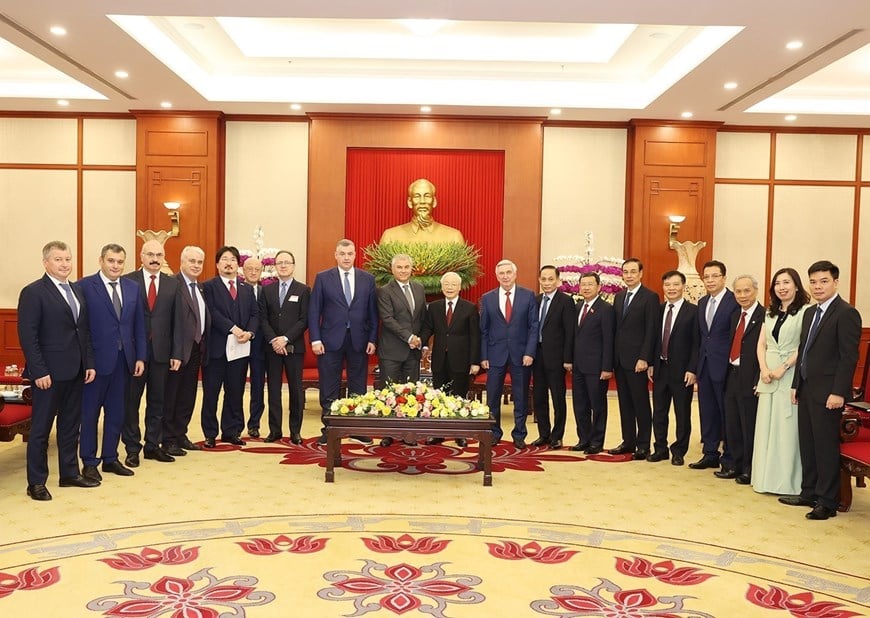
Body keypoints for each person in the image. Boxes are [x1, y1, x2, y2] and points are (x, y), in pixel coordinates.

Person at [781, 260, 861, 520]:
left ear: (835, 282)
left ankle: (827, 501)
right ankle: (809, 492)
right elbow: (804, 351)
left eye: (823, 281)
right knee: (808, 443)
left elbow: (849, 357)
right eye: (813, 282)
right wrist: (796, 385)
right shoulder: (809, 313)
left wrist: (839, 392)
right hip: (806, 389)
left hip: (829, 394)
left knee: (825, 446)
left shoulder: (846, 313)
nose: (818, 286)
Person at [18, 241, 97, 500]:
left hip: (76, 370)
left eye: (68, 259)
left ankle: (69, 474)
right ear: (46, 263)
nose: (65, 264)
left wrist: (89, 363)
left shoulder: (76, 290)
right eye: (58, 259)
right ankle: (36, 482)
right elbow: (28, 337)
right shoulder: (33, 292)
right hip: (47, 375)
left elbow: (82, 332)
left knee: (70, 426)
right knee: (40, 430)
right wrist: (39, 371)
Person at [76, 243, 146, 482]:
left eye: (119, 262)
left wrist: (140, 356)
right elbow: (81, 329)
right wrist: (87, 362)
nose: (115, 266)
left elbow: (138, 325)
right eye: (111, 261)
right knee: (90, 414)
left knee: (117, 413)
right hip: (95, 364)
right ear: (101, 261)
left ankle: (110, 458)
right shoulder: (84, 286)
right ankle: (89, 462)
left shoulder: (132, 287)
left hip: (124, 361)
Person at [309, 239, 379, 446]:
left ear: (355, 255)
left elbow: (373, 314)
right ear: (336, 255)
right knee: (329, 386)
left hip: (359, 340)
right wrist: (315, 339)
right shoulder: (323, 278)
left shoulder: (367, 279)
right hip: (330, 341)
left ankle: (356, 428)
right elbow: (314, 312)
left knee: (358, 385)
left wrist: (373, 338)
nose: (346, 257)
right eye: (342, 253)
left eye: (350, 253)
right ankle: (329, 429)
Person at [122, 240, 183, 466]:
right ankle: (132, 448)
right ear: (141, 256)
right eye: (150, 254)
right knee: (131, 403)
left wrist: (177, 353)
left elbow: (178, 322)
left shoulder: (172, 284)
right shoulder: (128, 281)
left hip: (162, 354)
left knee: (158, 402)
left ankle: (152, 445)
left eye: (159, 254)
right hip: (134, 354)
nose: (155, 259)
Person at [753, 267, 810, 495]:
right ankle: (764, 479)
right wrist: (764, 368)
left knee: (786, 430)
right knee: (766, 427)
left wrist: (783, 367)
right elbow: (761, 344)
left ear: (796, 285)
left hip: (789, 374)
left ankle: (787, 482)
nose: (782, 287)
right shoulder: (770, 312)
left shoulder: (806, 311)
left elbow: (803, 346)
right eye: (777, 283)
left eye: (786, 282)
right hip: (767, 376)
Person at [201, 246, 259, 448]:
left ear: (238, 264)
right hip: (216, 349)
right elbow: (212, 312)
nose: (229, 263)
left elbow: (254, 314)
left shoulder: (247, 289)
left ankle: (231, 431)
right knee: (211, 393)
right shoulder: (208, 287)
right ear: (217, 264)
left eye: (233, 259)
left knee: (235, 392)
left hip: (241, 350)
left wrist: (250, 333)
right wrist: (234, 329)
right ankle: (209, 433)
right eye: (224, 259)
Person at [480, 259, 538, 448]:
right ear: (497, 276)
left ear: (515, 274)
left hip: (521, 355)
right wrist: (484, 356)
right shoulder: (487, 298)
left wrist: (530, 352)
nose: (505, 276)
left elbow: (533, 327)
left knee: (520, 397)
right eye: (501, 273)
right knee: (492, 397)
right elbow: (484, 330)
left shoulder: (528, 296)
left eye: (508, 272)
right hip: (495, 355)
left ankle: (519, 434)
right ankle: (494, 433)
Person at [420, 271, 480, 447]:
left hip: (461, 360)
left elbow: (475, 337)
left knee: (459, 397)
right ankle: (438, 434)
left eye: (453, 284)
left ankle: (459, 433)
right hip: (439, 359)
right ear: (442, 286)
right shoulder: (435, 307)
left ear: (460, 287)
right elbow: (427, 329)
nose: (450, 287)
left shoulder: (469, 308)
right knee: (440, 397)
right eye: (446, 284)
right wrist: (420, 342)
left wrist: (475, 362)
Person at [162, 245, 210, 457]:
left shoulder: (200, 287)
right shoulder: (173, 285)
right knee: (171, 395)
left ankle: (181, 434)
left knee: (188, 395)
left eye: (200, 262)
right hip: (178, 353)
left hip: (196, 350)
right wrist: (175, 352)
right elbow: (169, 322)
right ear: (182, 262)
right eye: (192, 261)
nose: (196, 265)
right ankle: (168, 439)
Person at [716, 275, 764, 483]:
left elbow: (766, 351)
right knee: (732, 423)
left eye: (747, 291)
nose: (743, 295)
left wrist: (758, 378)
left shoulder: (765, 316)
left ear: (756, 291)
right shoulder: (735, 315)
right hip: (732, 375)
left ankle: (748, 468)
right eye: (738, 291)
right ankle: (734, 464)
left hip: (750, 378)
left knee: (748, 424)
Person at [609, 258, 659, 460]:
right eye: (625, 272)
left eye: (632, 272)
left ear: (640, 274)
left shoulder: (650, 297)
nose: (628, 275)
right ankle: (628, 441)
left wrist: (644, 357)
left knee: (640, 403)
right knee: (625, 403)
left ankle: (643, 445)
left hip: (638, 360)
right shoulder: (619, 297)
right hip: (621, 359)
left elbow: (651, 330)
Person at [259, 250, 310, 444]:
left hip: (293, 348)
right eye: (279, 263)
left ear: (294, 266)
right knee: (273, 389)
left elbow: (304, 320)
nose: (283, 266)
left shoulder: (303, 290)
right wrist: (274, 340)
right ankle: (275, 430)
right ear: (275, 266)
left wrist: (286, 339)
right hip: (272, 348)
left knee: (296, 390)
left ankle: (295, 431)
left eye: (287, 262)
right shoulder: (267, 290)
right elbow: (263, 318)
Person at [648, 270, 698, 465]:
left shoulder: (693, 311)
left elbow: (696, 343)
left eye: (675, 285)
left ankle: (679, 451)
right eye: (667, 285)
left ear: (683, 287)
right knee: (659, 412)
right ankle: (660, 448)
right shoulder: (658, 310)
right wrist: (652, 363)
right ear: (663, 287)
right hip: (660, 368)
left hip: (682, 371)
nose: (671, 288)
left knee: (682, 413)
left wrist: (692, 369)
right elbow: (653, 339)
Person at [376, 254, 427, 447]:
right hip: (392, 351)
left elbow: (422, 317)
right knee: (389, 393)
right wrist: (409, 337)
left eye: (406, 267)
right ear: (392, 269)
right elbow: (388, 319)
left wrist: (419, 339)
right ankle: (388, 433)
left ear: (411, 269)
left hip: (412, 352)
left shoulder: (419, 288)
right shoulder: (384, 291)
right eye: (399, 267)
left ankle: (409, 433)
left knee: (411, 393)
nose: (403, 270)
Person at [693, 260, 739, 470]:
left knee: (726, 413)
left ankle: (729, 456)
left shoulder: (734, 301)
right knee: (707, 411)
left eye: (715, 276)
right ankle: (710, 453)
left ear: (724, 278)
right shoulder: (702, 303)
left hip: (726, 367)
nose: (710, 280)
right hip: (705, 366)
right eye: (706, 277)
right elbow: (702, 338)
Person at [530, 266, 574, 450]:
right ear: (539, 280)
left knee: (557, 397)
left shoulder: (566, 301)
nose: (547, 283)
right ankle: (544, 434)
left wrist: (568, 358)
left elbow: (570, 332)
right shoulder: (536, 300)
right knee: (539, 397)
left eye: (550, 279)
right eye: (543, 279)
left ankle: (557, 436)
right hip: (537, 356)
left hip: (556, 358)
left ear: (557, 280)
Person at [570, 272, 614, 454]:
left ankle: (597, 441)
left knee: (598, 405)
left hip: (596, 367)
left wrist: (606, 367)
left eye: (590, 284)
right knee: (580, 404)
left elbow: (608, 339)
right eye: (583, 284)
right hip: (578, 366)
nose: (586, 287)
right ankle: (583, 439)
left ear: (599, 287)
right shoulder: (578, 306)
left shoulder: (606, 309)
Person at [379, 178, 465, 244]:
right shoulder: (390, 237)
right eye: (417, 196)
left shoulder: (454, 237)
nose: (422, 201)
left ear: (434, 201)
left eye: (427, 196)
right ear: (410, 202)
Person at [239, 257, 267, 438]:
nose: (253, 272)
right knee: (236, 386)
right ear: (243, 270)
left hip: (260, 345)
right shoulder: (238, 290)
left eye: (257, 269)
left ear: (262, 270)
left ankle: (254, 424)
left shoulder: (266, 292)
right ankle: (236, 423)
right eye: (249, 268)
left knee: (258, 386)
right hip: (239, 343)